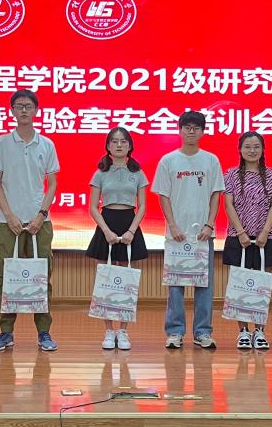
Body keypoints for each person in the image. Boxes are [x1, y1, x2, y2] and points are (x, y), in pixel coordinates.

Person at [0, 90, 60, 352]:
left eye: (28, 106)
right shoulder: (2, 143)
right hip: (7, 222)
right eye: (19, 106)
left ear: (36, 110)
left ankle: (44, 332)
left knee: (42, 275)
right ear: (12, 111)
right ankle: (5, 332)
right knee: (5, 276)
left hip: (39, 222)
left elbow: (52, 183)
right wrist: (9, 215)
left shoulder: (46, 144)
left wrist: (42, 214)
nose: (24, 111)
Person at [152, 110, 225, 349]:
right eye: (187, 127)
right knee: (175, 286)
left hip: (203, 234)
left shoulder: (211, 160)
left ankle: (202, 332)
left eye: (196, 127)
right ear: (180, 130)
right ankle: (174, 332)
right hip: (176, 234)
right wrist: (173, 225)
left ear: (203, 131)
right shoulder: (168, 160)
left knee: (204, 285)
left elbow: (215, 195)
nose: (191, 131)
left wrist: (209, 224)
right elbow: (163, 195)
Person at [86, 127, 149, 350]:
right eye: (114, 141)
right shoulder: (101, 172)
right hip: (107, 225)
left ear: (130, 146)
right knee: (105, 279)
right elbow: (93, 207)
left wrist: (131, 231)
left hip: (129, 223)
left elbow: (142, 206)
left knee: (127, 281)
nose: (119, 145)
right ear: (108, 146)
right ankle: (108, 331)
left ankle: (123, 331)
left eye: (123, 141)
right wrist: (106, 231)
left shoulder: (138, 173)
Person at [223, 131, 272, 351]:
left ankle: (260, 331)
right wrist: (241, 232)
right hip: (238, 237)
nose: (252, 150)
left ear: (263, 149)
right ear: (240, 150)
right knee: (239, 285)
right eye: (247, 146)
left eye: (256, 146)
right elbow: (228, 204)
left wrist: (265, 232)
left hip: (265, 238)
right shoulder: (230, 174)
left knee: (261, 286)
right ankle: (243, 332)